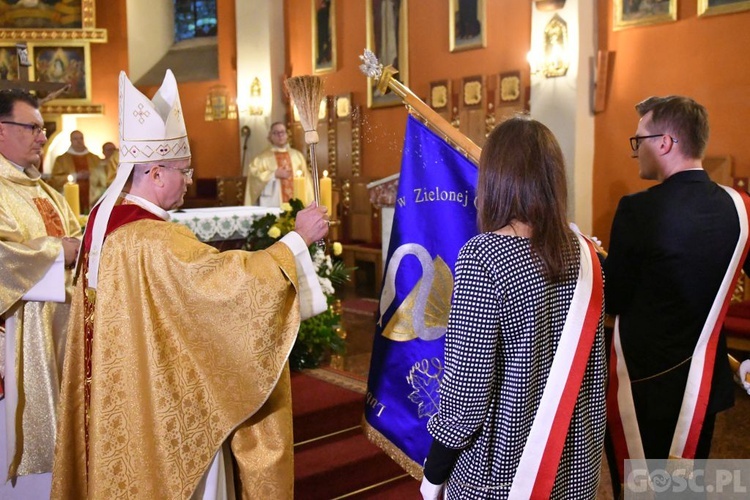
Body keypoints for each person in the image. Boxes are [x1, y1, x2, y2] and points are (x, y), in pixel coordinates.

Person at [51, 70, 329, 499]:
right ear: (156, 173)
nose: (187, 179)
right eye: (184, 170)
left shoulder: (104, 224)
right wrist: (298, 240)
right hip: (165, 402)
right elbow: (223, 289)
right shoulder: (151, 238)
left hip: (123, 395)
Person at [420, 116, 606, 499]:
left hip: (506, 474)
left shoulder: (484, 256)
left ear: (495, 179)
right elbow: (595, 373)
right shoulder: (585, 254)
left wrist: (434, 473)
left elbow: (466, 396)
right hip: (574, 466)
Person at [604, 96, 750, 492]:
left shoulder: (637, 210)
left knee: (640, 490)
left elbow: (614, 298)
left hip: (643, 383)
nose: (636, 152)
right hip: (702, 383)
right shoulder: (741, 207)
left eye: (640, 141)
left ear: (665, 142)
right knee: (687, 488)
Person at [0, 88, 81, 498]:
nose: (42, 137)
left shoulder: (44, 190)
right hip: (16, 340)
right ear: (1, 131)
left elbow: (75, 237)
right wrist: (56, 252)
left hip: (62, 335)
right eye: (33, 127)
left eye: (43, 128)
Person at [244, 121, 313, 207]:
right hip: (273, 204)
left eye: (282, 132)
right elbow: (254, 179)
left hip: (296, 203)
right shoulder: (261, 159)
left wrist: (310, 203)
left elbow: (307, 181)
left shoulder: (297, 157)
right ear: (270, 136)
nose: (280, 135)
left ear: (287, 135)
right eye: (276, 133)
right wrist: (273, 174)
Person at [48, 130, 101, 213]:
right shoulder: (61, 159)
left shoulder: (95, 158)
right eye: (75, 139)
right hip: (70, 198)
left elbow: (103, 179)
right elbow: (55, 179)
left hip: (93, 199)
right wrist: (76, 176)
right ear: (71, 141)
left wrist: (92, 176)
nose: (79, 141)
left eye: (81, 138)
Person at [89, 141, 117, 205]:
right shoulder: (98, 169)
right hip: (105, 198)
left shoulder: (122, 166)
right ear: (103, 152)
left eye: (114, 149)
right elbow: (93, 188)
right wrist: (105, 190)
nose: (112, 152)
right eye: (109, 150)